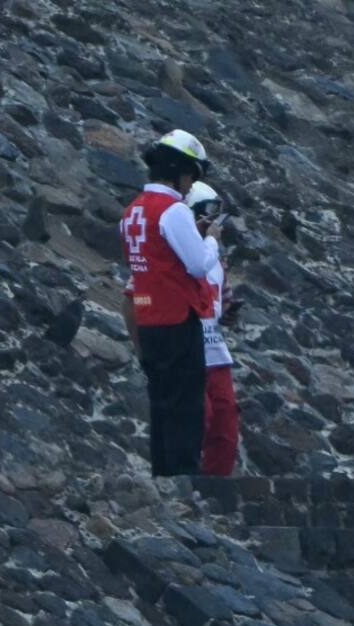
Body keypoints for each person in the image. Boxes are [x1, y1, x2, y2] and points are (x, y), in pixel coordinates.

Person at [120, 129, 220, 477]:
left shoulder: (131, 211)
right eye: (191, 174)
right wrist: (211, 242)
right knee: (186, 405)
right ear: (179, 169)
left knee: (161, 402)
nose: (191, 185)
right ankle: (184, 477)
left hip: (149, 318)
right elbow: (196, 264)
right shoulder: (173, 210)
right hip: (178, 317)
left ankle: (163, 474)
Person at [186, 181, 240, 476]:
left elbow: (222, 301)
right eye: (204, 216)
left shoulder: (217, 259)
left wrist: (229, 315)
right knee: (198, 418)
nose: (210, 223)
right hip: (187, 351)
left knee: (226, 426)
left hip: (216, 355)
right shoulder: (174, 254)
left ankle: (217, 490)